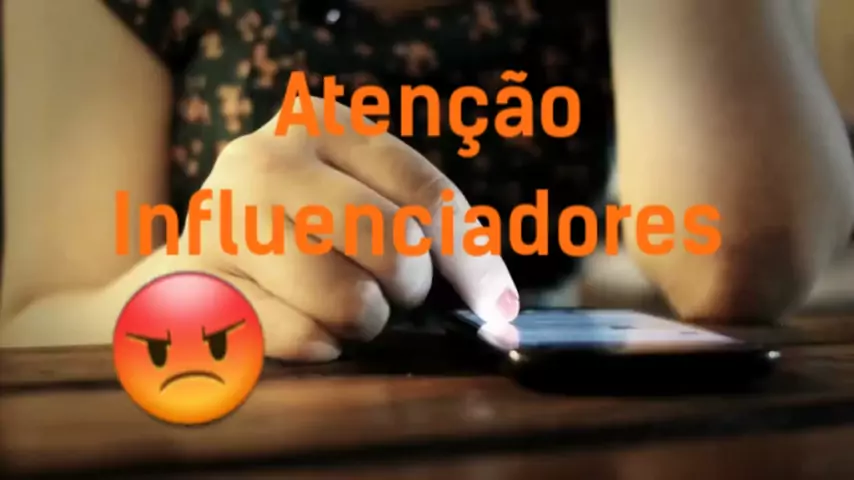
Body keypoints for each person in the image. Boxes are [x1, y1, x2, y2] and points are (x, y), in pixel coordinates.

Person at [3, 0, 853, 361]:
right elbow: (30, 328)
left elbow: (741, 258)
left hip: (549, 432)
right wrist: (192, 282)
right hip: (231, 418)